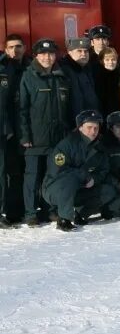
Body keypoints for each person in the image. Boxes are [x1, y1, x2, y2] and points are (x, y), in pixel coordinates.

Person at [19, 39, 71, 226]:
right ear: (36, 56)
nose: (47, 57)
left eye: (51, 54)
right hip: (35, 138)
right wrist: (25, 136)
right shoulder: (28, 76)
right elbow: (22, 109)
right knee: (32, 178)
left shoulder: (62, 76)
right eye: (43, 54)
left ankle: (50, 210)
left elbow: (68, 108)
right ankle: (30, 213)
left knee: (53, 175)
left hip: (58, 138)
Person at [42, 109, 117, 231]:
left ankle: (80, 214)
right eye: (89, 127)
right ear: (80, 127)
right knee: (71, 178)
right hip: (54, 188)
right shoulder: (67, 144)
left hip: (81, 189)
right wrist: (85, 176)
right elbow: (58, 170)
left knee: (108, 191)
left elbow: (103, 171)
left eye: (96, 128)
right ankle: (63, 219)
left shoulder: (100, 148)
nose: (93, 131)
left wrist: (93, 179)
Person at [3, 34, 31, 223]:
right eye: (11, 47)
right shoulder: (3, 69)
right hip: (8, 128)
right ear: (6, 49)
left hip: (27, 127)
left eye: (19, 46)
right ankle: (12, 212)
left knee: (26, 170)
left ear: (24, 47)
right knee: (10, 171)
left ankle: (26, 208)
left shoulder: (30, 67)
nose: (15, 50)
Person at [59, 36, 100, 120]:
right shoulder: (64, 71)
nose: (83, 54)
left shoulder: (88, 69)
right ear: (69, 52)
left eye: (86, 51)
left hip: (90, 120)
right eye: (79, 51)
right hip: (75, 123)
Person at [0, 51, 16, 227]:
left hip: (1, 129)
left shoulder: (6, 67)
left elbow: (11, 102)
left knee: (0, 174)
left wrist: (8, 126)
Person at [95, 47, 120, 118]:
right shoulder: (98, 77)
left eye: (113, 59)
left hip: (119, 111)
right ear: (101, 61)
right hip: (104, 113)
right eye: (107, 60)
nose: (111, 62)